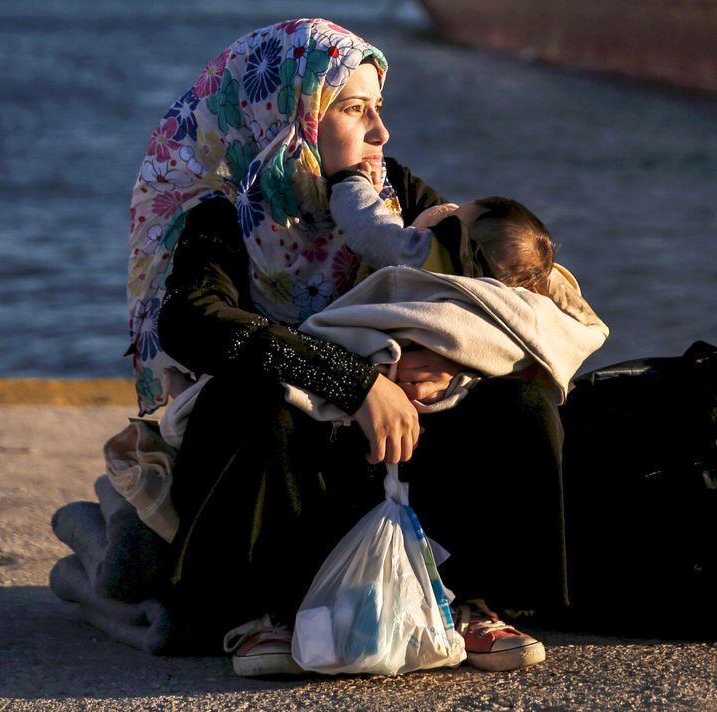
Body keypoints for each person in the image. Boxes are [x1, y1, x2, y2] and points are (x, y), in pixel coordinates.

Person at [127, 19, 591, 678]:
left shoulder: (394, 191)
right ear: (294, 114)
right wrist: (355, 382)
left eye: (379, 108)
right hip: (291, 466)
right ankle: (263, 611)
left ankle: (470, 598)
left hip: (391, 457)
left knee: (518, 401)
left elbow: (503, 288)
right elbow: (195, 323)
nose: (380, 131)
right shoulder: (224, 211)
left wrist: (452, 359)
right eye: (353, 109)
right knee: (249, 402)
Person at [328, 165, 556, 295]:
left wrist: (354, 183)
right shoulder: (485, 297)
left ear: (460, 242)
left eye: (450, 217)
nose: (445, 208)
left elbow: (373, 232)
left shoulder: (431, 259)